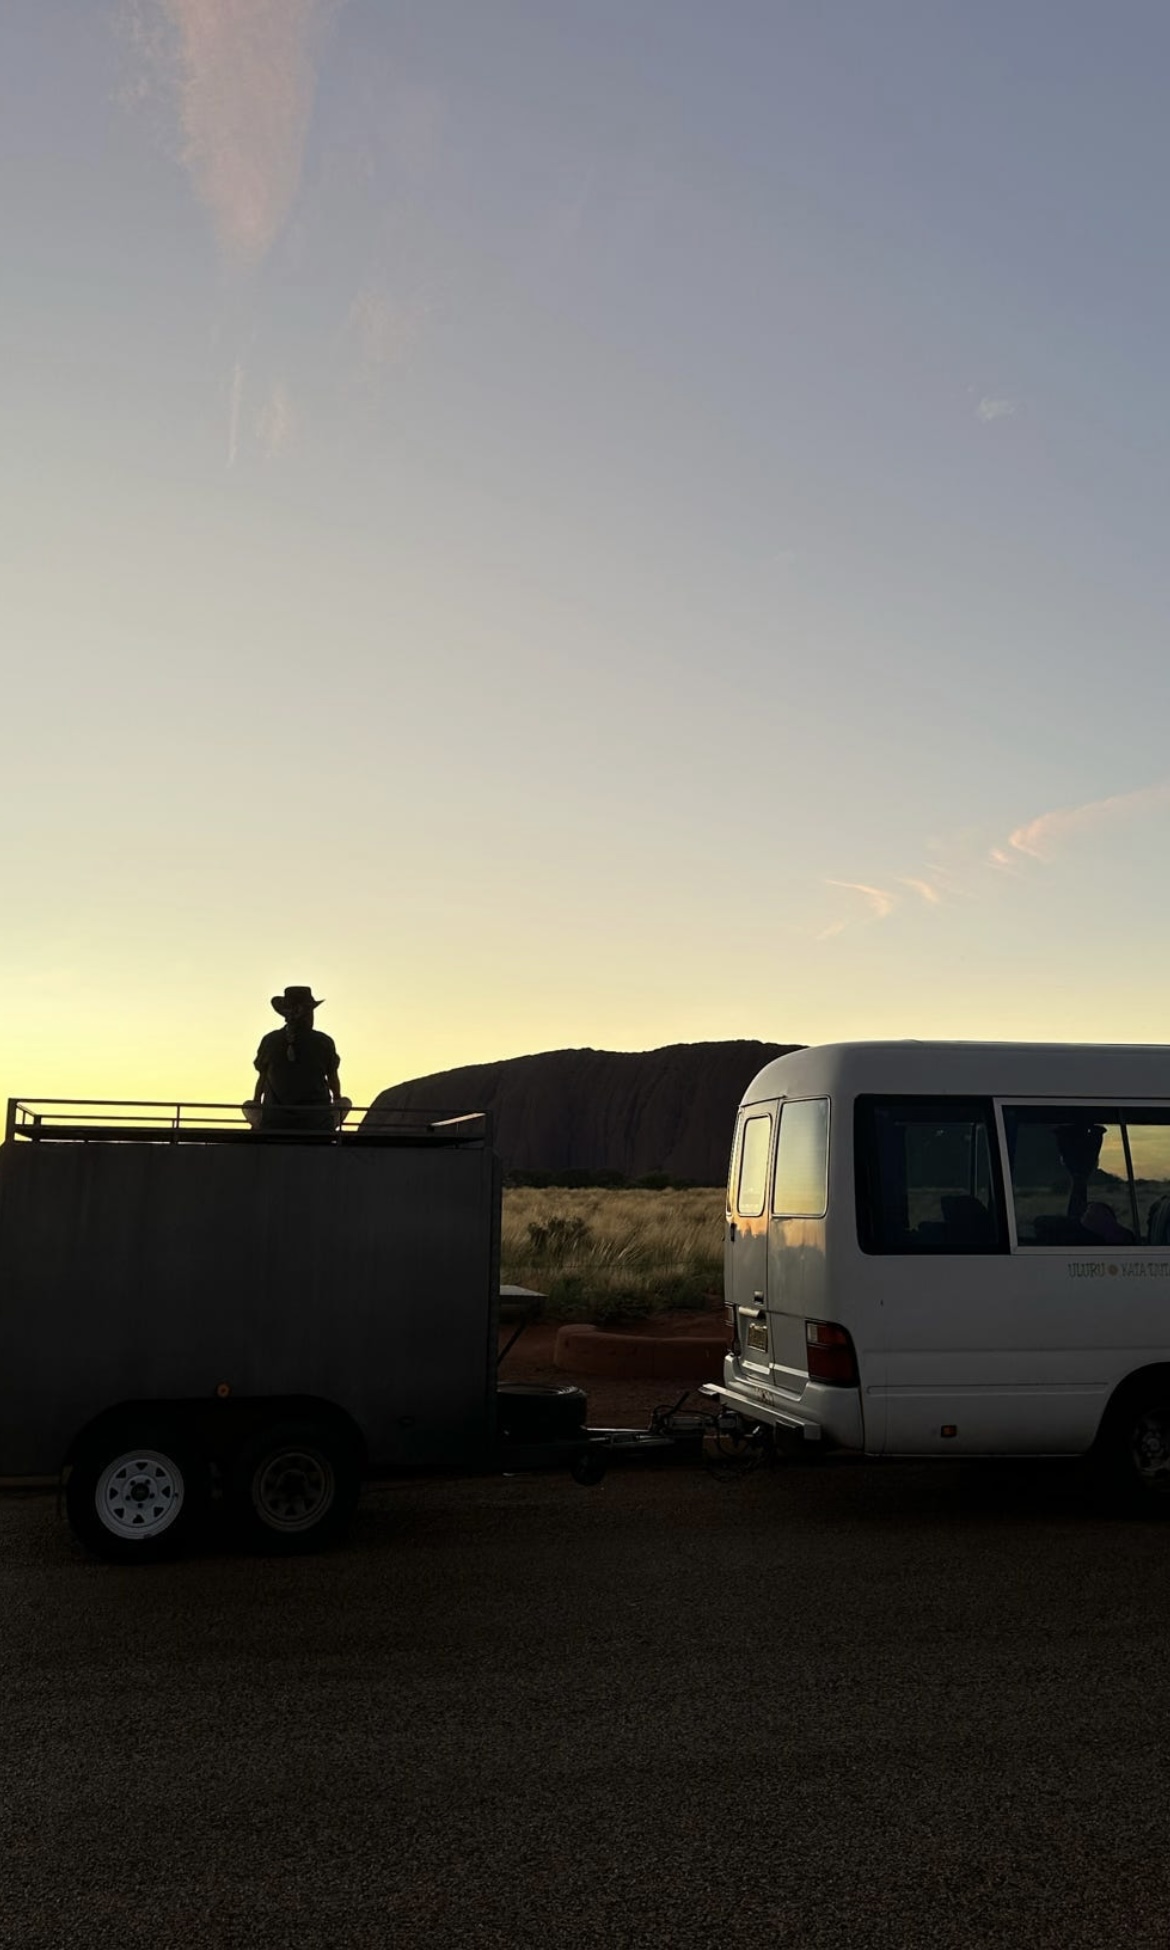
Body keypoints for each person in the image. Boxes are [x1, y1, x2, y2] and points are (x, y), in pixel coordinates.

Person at [249, 986, 346, 1136]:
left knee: (248, 1106)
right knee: (345, 1103)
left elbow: (261, 1082)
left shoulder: (269, 1041)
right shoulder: (324, 1042)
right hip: (316, 1123)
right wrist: (338, 1102)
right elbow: (334, 1082)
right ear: (308, 1015)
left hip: (274, 1122)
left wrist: (256, 1105)